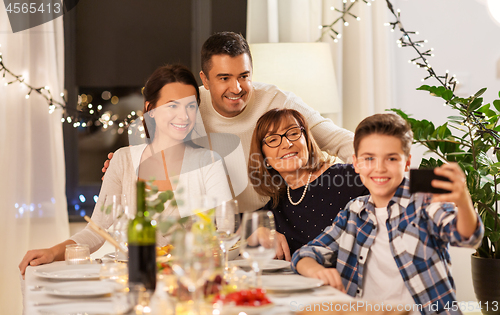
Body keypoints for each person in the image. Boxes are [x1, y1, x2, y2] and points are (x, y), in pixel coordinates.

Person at [103, 31, 355, 214]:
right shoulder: (188, 105)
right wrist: (123, 167)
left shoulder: (278, 100)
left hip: (270, 213)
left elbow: (339, 140)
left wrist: (375, 173)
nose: (236, 88)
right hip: (206, 218)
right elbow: (151, 144)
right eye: (224, 78)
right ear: (205, 79)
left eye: (244, 76)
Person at [19, 65, 232, 277]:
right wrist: (51, 252)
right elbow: (96, 231)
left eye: (191, 106)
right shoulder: (123, 160)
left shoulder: (210, 163)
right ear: (151, 109)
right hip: (133, 278)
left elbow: (226, 231)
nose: (184, 116)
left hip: (189, 279)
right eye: (172, 106)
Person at [291, 113, 484, 314]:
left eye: (391, 158)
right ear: (356, 163)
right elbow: (305, 254)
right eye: (369, 158)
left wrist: (463, 201)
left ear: (407, 163)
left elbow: (467, 236)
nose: (380, 168)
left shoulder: (425, 203)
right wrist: (317, 270)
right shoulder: (354, 211)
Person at [248, 109, 368, 260]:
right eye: (272, 140)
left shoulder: (350, 177)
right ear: (264, 158)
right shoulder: (276, 207)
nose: (287, 143)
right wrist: (254, 231)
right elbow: (229, 223)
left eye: (293, 133)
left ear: (307, 140)